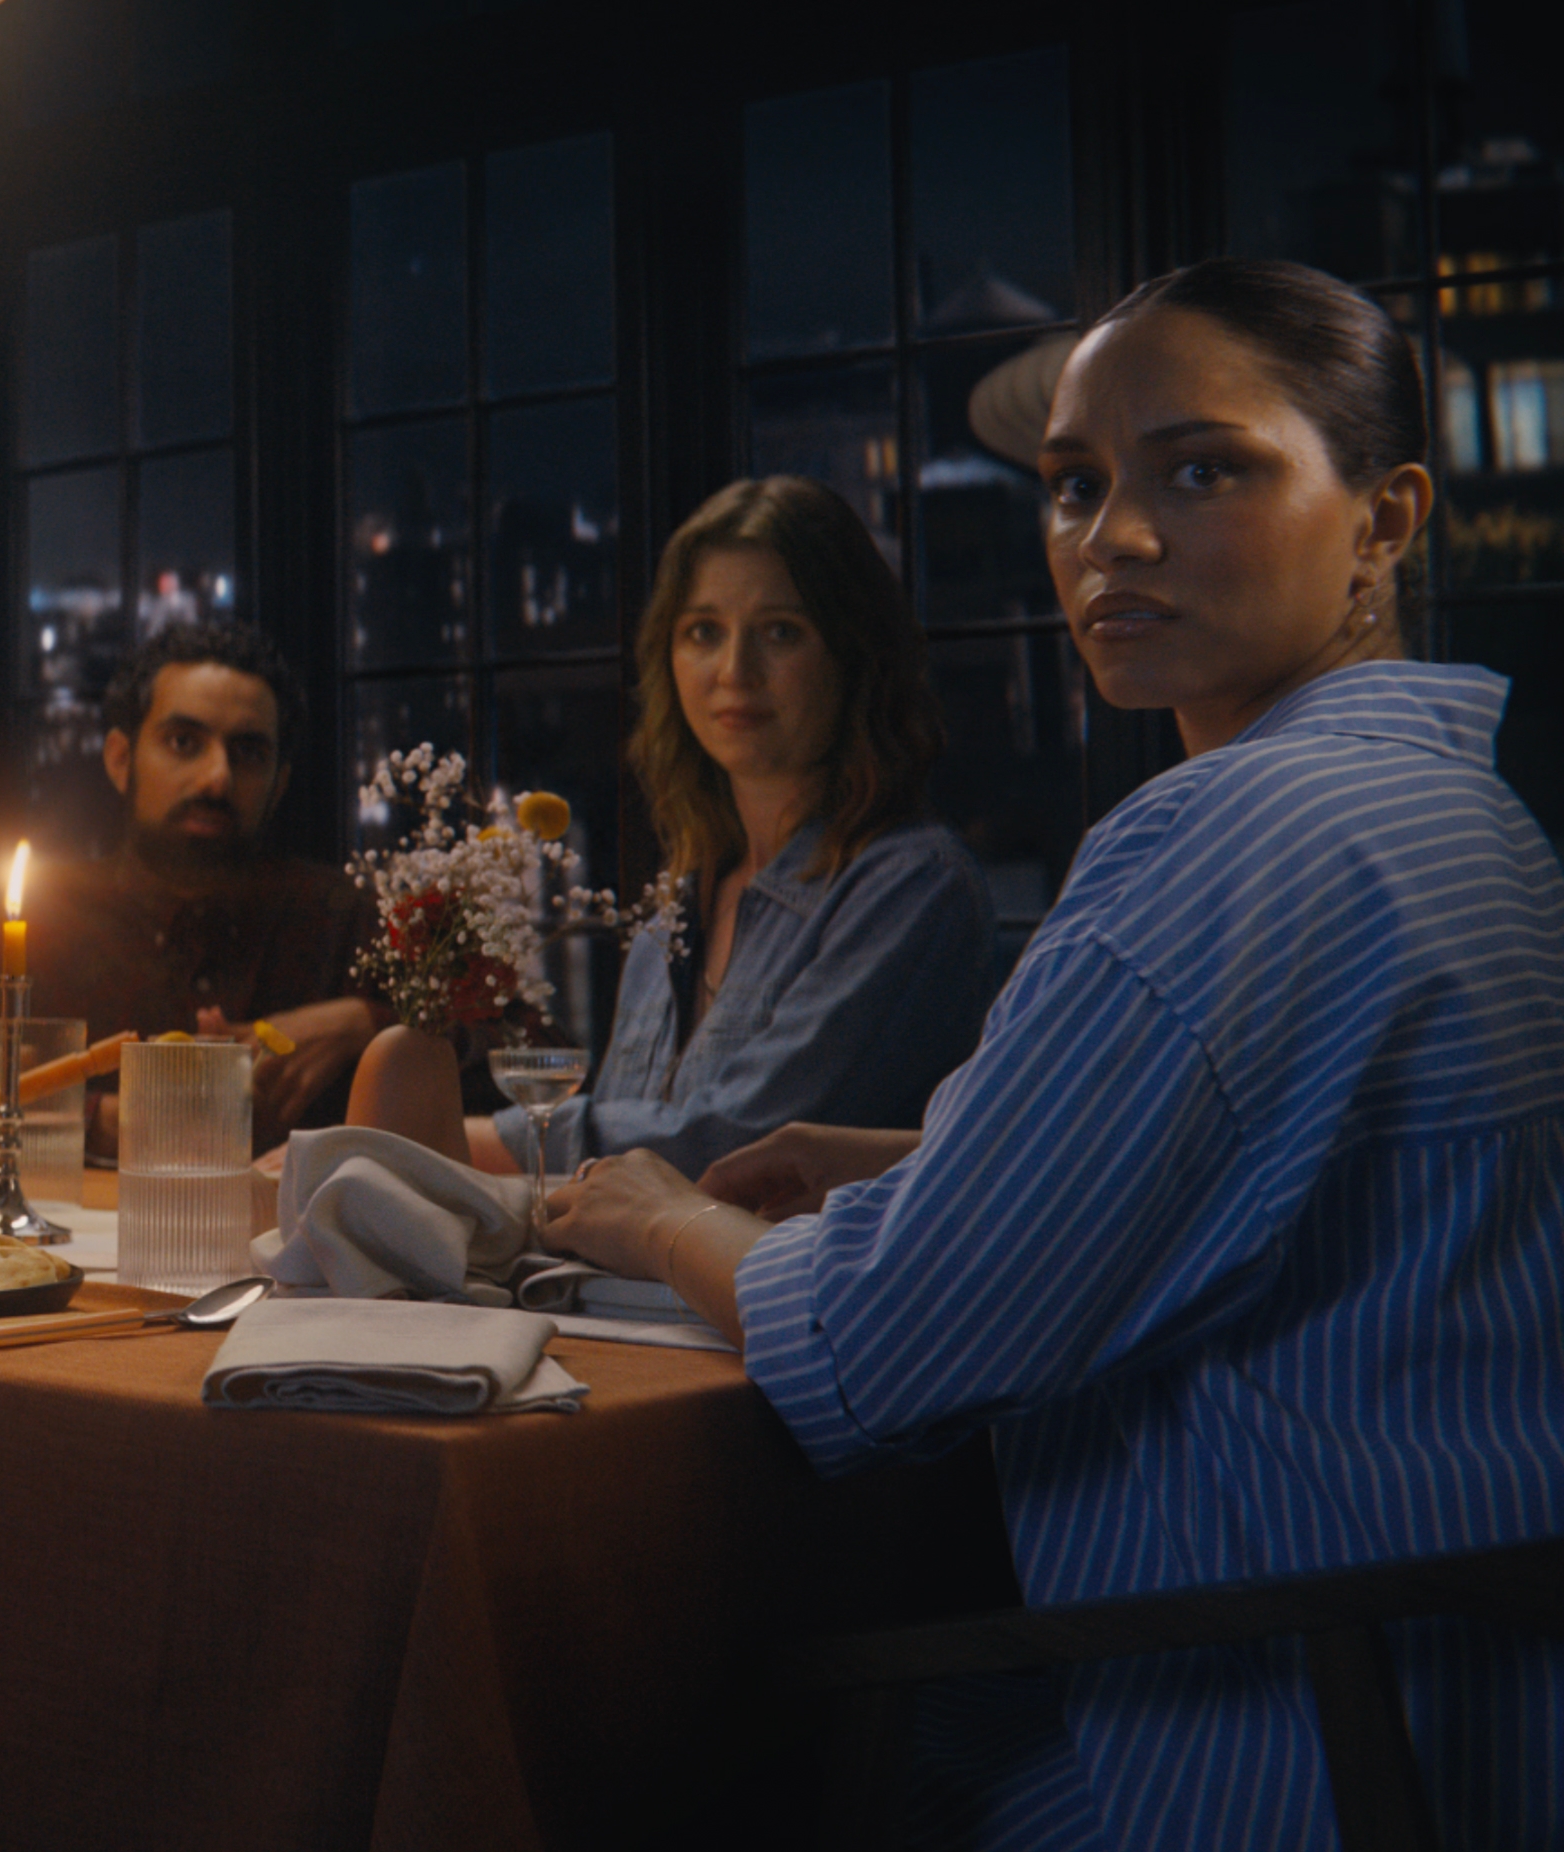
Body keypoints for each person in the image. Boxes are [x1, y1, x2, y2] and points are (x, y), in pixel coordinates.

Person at [546, 261, 1563, 1843]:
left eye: (1203, 467)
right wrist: (889, 1158)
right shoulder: (1455, 812)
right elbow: (1268, 1161)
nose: (1117, 536)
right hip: (1499, 1703)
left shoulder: (1229, 834)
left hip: (1298, 1734)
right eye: (1077, 486)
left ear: (1384, 519)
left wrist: (666, 1221)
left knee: (637, 1730)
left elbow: (894, 1343)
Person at [366, 478, 995, 1176]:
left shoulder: (912, 887)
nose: (735, 671)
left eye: (781, 632)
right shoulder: (679, 902)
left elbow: (737, 1149)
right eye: (704, 632)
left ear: (853, 656)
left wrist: (444, 1145)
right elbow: (622, 1174)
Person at [0, 618, 382, 1146]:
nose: (218, 778)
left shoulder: (339, 922)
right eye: (184, 742)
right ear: (121, 760)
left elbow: (469, 1045)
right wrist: (98, 1118)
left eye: (249, 753)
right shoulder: (27, 920)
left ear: (279, 785)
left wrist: (364, 1021)